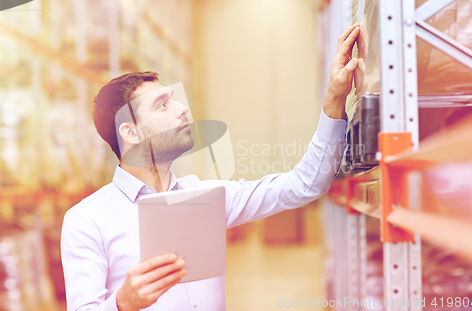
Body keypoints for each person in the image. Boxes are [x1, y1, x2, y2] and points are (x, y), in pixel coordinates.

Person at [61, 24, 361, 311]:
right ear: (130, 133)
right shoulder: (87, 221)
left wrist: (335, 97)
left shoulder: (207, 198)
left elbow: (305, 184)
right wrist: (122, 303)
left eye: (174, 100)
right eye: (162, 105)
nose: (183, 110)